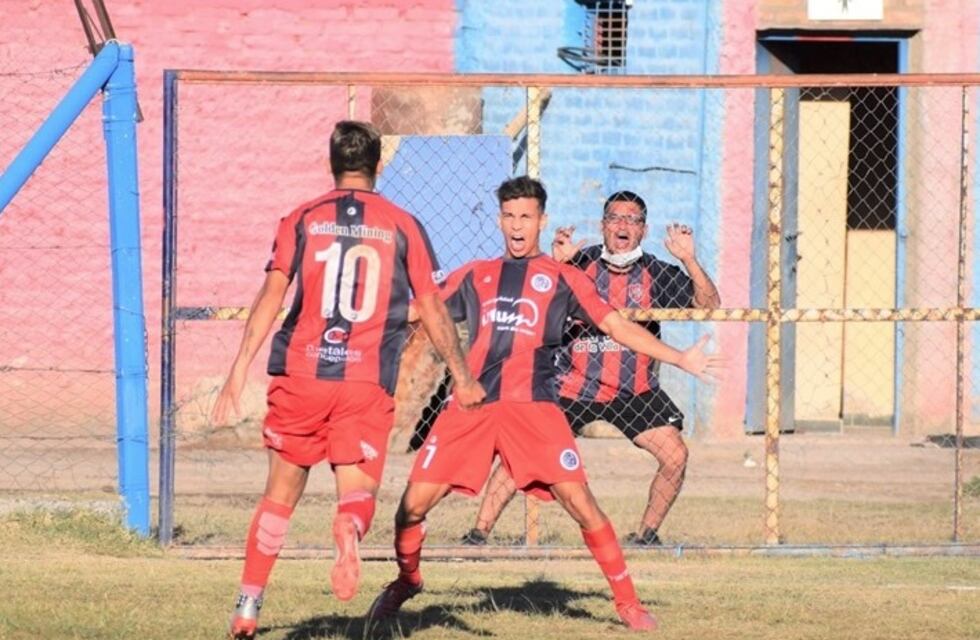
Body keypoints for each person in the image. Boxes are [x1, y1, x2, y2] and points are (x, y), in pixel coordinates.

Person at [366, 177, 723, 632]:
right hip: (471, 406)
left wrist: (680, 358)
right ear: (500, 220)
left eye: (526, 217)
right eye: (510, 216)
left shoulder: (564, 277)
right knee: (411, 508)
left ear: (541, 220)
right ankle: (407, 581)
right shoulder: (475, 274)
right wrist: (352, 310)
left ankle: (628, 604)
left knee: (581, 503)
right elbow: (418, 309)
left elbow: (616, 325)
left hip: (534, 408)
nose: (517, 226)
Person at [210, 120, 485, 640]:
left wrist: (236, 370)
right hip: (364, 379)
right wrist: (462, 375)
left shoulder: (302, 218)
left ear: (331, 163)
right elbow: (430, 306)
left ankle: (248, 605)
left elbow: (272, 296)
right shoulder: (403, 223)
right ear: (377, 165)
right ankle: (349, 528)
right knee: (357, 492)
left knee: (279, 495)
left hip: (300, 373)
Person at [460, 190, 720, 547]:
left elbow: (708, 306)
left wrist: (690, 260)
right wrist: (556, 264)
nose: (622, 225)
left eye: (632, 219)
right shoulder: (578, 263)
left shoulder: (656, 273)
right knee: (521, 451)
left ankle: (644, 537)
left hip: (632, 392)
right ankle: (478, 533)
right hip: (572, 386)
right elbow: (532, 292)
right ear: (603, 226)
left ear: (643, 230)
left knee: (675, 455)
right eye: (615, 218)